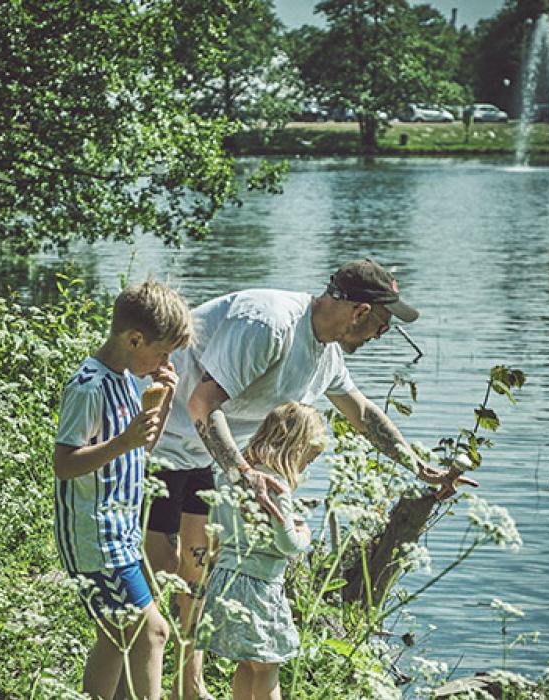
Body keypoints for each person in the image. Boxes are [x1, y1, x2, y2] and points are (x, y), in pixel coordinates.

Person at [144, 258, 477, 700]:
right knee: (162, 568)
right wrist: (244, 473)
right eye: (383, 324)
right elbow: (203, 404)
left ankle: (189, 688)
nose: (382, 335)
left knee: (198, 570)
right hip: (161, 438)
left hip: (210, 452)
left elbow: (361, 412)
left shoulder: (326, 355)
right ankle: (135, 677)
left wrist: (417, 465)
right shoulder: (270, 325)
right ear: (360, 312)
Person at [54, 280, 193, 700]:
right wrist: (123, 442)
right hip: (95, 537)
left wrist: (165, 397)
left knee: (116, 638)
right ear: (134, 339)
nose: (164, 361)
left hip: (121, 534)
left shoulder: (126, 381)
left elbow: (140, 447)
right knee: (153, 631)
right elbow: (64, 463)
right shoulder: (89, 386)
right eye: (162, 351)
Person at [200, 402, 325, 700]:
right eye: (308, 457)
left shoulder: (232, 478)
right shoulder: (276, 486)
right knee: (268, 667)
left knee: (246, 663)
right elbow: (286, 544)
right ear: (294, 448)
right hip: (260, 589)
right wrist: (303, 534)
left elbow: (217, 523)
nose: (306, 466)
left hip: (227, 580)